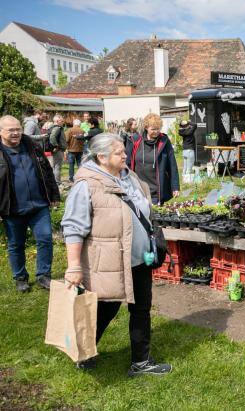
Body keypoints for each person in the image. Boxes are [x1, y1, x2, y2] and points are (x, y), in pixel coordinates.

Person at [61, 133, 172, 375]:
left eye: (123, 151)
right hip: (108, 262)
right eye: (119, 153)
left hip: (140, 259)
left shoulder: (128, 176)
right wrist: (74, 266)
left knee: (142, 309)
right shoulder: (87, 185)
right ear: (101, 157)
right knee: (105, 310)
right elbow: (73, 227)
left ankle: (141, 362)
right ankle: (84, 351)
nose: (125, 155)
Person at [0, 115, 60, 292]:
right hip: (12, 208)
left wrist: (54, 194)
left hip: (39, 205)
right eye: (11, 130)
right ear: (1, 131)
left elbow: (47, 170)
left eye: (18, 128)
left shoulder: (31, 145)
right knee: (15, 245)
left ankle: (44, 276)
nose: (16, 133)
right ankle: (20, 278)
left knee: (45, 239)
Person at [126, 113, 179, 205]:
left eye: (158, 129)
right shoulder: (135, 141)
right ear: (146, 128)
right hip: (138, 189)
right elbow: (128, 163)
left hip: (156, 190)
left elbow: (172, 165)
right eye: (153, 129)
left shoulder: (164, 141)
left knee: (154, 217)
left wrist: (175, 187)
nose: (156, 131)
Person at [48, 114, 68, 186]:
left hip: (56, 150)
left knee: (54, 166)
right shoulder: (57, 128)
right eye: (61, 121)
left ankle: (55, 181)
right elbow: (52, 137)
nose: (63, 122)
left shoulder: (52, 127)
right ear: (57, 121)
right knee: (57, 167)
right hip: (58, 150)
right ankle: (57, 183)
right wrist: (56, 145)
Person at [65, 119, 85, 183]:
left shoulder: (69, 130)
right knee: (79, 164)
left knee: (71, 165)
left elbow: (66, 140)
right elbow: (84, 140)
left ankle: (71, 178)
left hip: (71, 150)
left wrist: (66, 148)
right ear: (79, 124)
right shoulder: (82, 131)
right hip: (80, 150)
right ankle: (81, 177)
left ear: (74, 124)